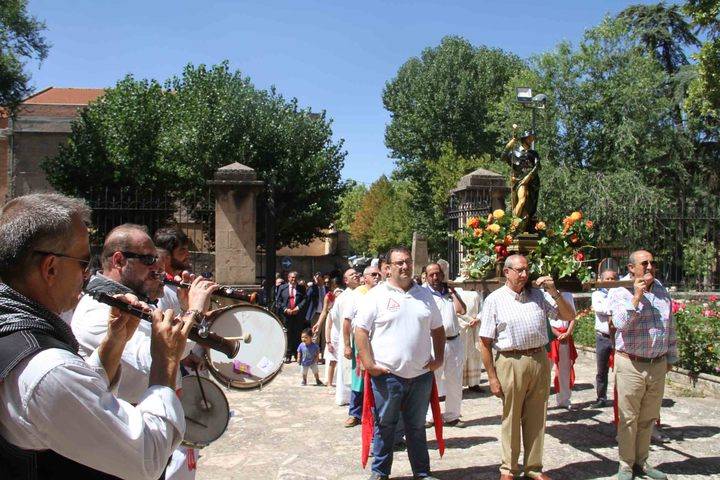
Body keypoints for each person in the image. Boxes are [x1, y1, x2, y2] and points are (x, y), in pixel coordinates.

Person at [0, 193, 190, 479]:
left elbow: (74, 399)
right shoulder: (46, 369)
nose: (87, 274)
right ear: (50, 268)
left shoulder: (13, 329)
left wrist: (113, 344)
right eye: (82, 262)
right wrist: (165, 363)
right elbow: (145, 457)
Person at [478, 254, 574, 480]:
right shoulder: (495, 299)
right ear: (506, 272)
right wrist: (492, 377)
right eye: (519, 270)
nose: (524, 275)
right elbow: (484, 342)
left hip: (539, 359)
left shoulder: (539, 296)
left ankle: (534, 468)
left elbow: (569, 315)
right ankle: (509, 469)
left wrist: (554, 292)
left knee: (537, 415)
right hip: (510, 361)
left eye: (526, 270)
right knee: (511, 416)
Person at [355, 247, 445, 480]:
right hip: (388, 376)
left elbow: (438, 328)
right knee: (385, 426)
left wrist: (439, 358)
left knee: (416, 428)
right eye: (399, 263)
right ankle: (380, 473)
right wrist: (369, 363)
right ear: (388, 268)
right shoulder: (376, 295)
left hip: (421, 375)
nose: (404, 266)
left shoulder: (424, 295)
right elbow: (361, 331)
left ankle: (422, 473)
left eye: (407, 262)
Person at [608, 250, 676, 480]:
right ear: (631, 268)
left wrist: (671, 357)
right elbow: (620, 324)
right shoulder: (619, 292)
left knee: (648, 417)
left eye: (652, 263)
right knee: (628, 418)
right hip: (631, 363)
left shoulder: (660, 289)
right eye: (644, 263)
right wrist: (636, 297)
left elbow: (670, 325)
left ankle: (642, 462)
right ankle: (626, 466)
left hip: (657, 363)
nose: (649, 267)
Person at [424, 263, 467, 428]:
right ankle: (430, 416)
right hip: (434, 342)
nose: (435, 278)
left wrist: (453, 292)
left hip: (453, 341)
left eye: (438, 274)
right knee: (431, 380)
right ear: (426, 277)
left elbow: (462, 310)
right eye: (431, 275)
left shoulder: (449, 293)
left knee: (455, 380)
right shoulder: (424, 294)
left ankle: (452, 415)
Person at [345, 265, 382, 427]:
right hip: (361, 342)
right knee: (359, 377)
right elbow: (347, 321)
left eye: (378, 274)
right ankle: (355, 412)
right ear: (365, 278)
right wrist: (347, 345)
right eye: (373, 274)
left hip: (380, 342)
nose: (377, 277)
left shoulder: (384, 292)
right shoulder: (356, 295)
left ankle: (377, 412)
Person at [502, 127, 540, 229]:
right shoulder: (515, 153)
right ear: (524, 139)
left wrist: (529, 176)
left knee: (528, 212)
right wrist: (509, 145)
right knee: (522, 200)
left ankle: (521, 227)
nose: (531, 140)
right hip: (520, 181)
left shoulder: (534, 153)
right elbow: (503, 157)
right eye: (529, 138)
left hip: (532, 183)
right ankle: (512, 224)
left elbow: (537, 166)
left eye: (532, 138)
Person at [333, 268, 361, 406]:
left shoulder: (363, 293)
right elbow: (337, 317)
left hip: (360, 337)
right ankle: (346, 398)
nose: (355, 275)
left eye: (356, 273)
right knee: (346, 369)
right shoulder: (342, 297)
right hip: (347, 338)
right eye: (351, 275)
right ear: (345, 280)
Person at [591, 268, 619, 408]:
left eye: (612, 278)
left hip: (619, 337)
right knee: (602, 370)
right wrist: (614, 307)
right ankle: (601, 397)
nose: (609, 281)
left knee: (621, 369)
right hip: (603, 337)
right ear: (601, 281)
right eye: (607, 279)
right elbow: (599, 309)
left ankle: (621, 398)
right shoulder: (597, 294)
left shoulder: (621, 294)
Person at [547, 291, 578, 409]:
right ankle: (542, 400)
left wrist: (568, 333)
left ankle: (564, 399)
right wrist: (555, 333)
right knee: (546, 370)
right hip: (551, 335)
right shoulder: (544, 294)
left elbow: (573, 315)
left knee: (564, 368)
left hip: (565, 335)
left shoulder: (568, 294)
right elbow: (544, 317)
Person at [454, 283, 484, 390]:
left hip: (474, 327)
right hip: (462, 328)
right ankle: (459, 382)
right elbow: (456, 310)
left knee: (474, 354)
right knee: (461, 355)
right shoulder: (457, 291)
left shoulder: (477, 294)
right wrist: (468, 320)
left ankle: (474, 383)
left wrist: (478, 319)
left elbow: (482, 308)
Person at [276, 271, 308, 362]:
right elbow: (278, 301)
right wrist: (286, 309)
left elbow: (305, 300)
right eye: (292, 277)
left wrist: (297, 308)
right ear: (288, 278)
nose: (293, 279)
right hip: (286, 315)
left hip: (297, 315)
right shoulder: (282, 288)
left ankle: (297, 354)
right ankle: (287, 354)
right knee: (287, 334)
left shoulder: (301, 288)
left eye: (295, 278)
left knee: (297, 334)